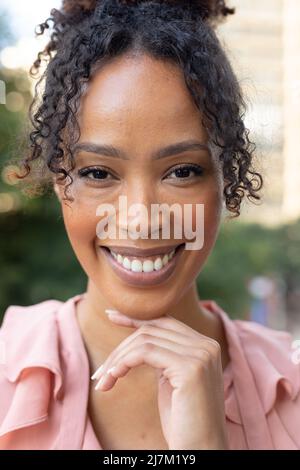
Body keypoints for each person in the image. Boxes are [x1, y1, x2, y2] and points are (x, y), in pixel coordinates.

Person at [0, 0, 299, 450]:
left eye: (182, 171)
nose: (140, 219)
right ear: (60, 182)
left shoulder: (290, 390)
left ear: (225, 179)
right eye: (98, 173)